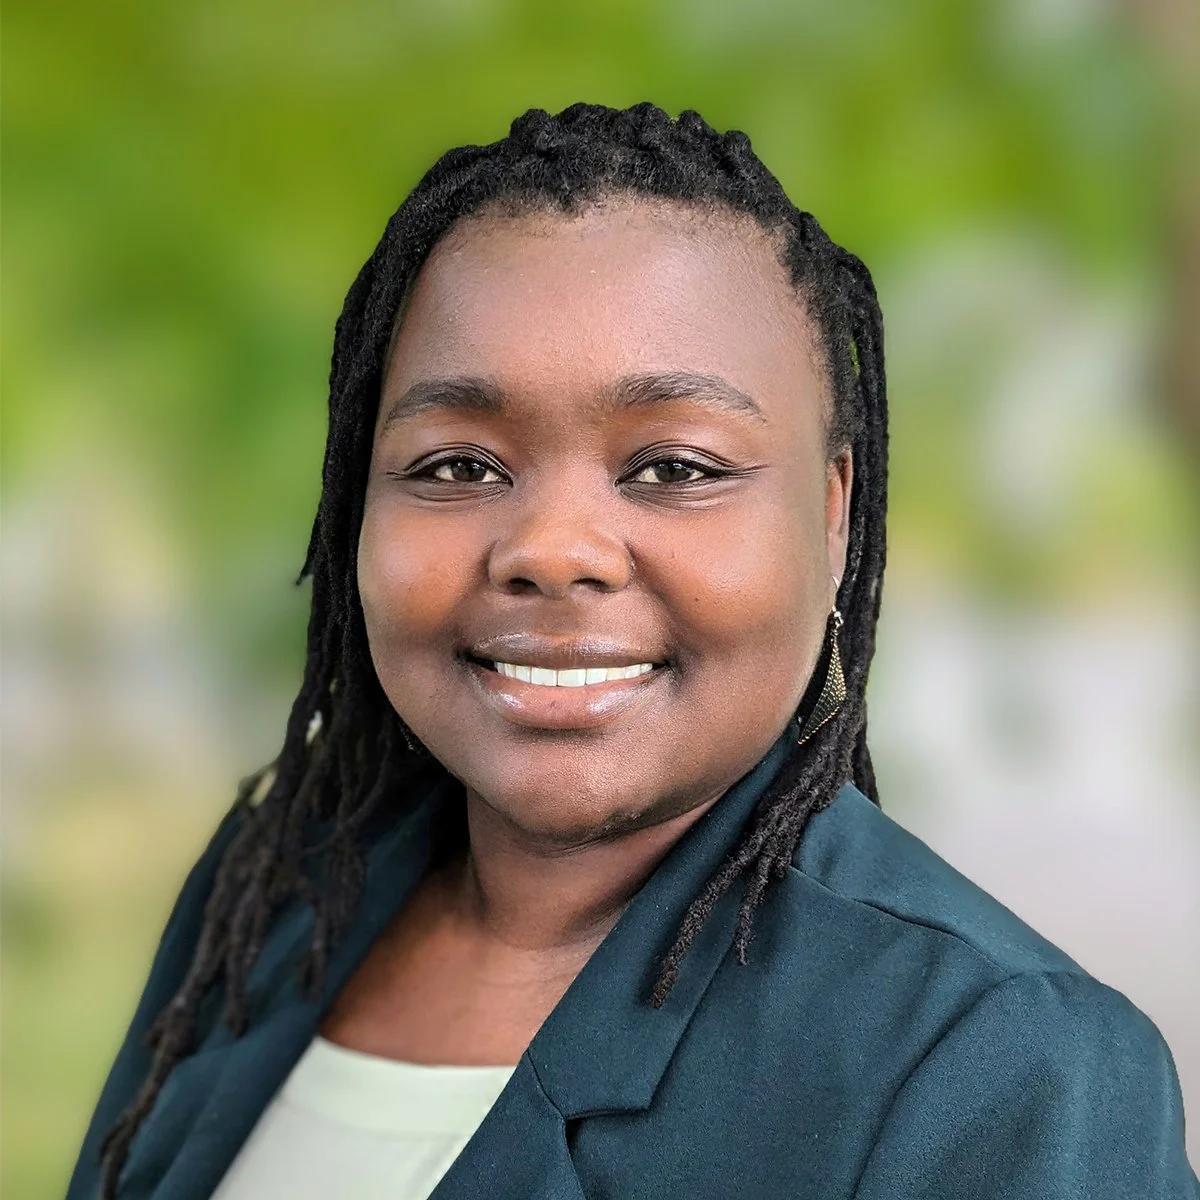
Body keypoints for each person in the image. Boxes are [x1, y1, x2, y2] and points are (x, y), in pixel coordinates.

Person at [67, 102, 1196, 1200]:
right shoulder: (274, 899)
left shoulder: (1000, 1069)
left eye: (676, 468)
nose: (553, 554)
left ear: (834, 511)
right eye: (457, 465)